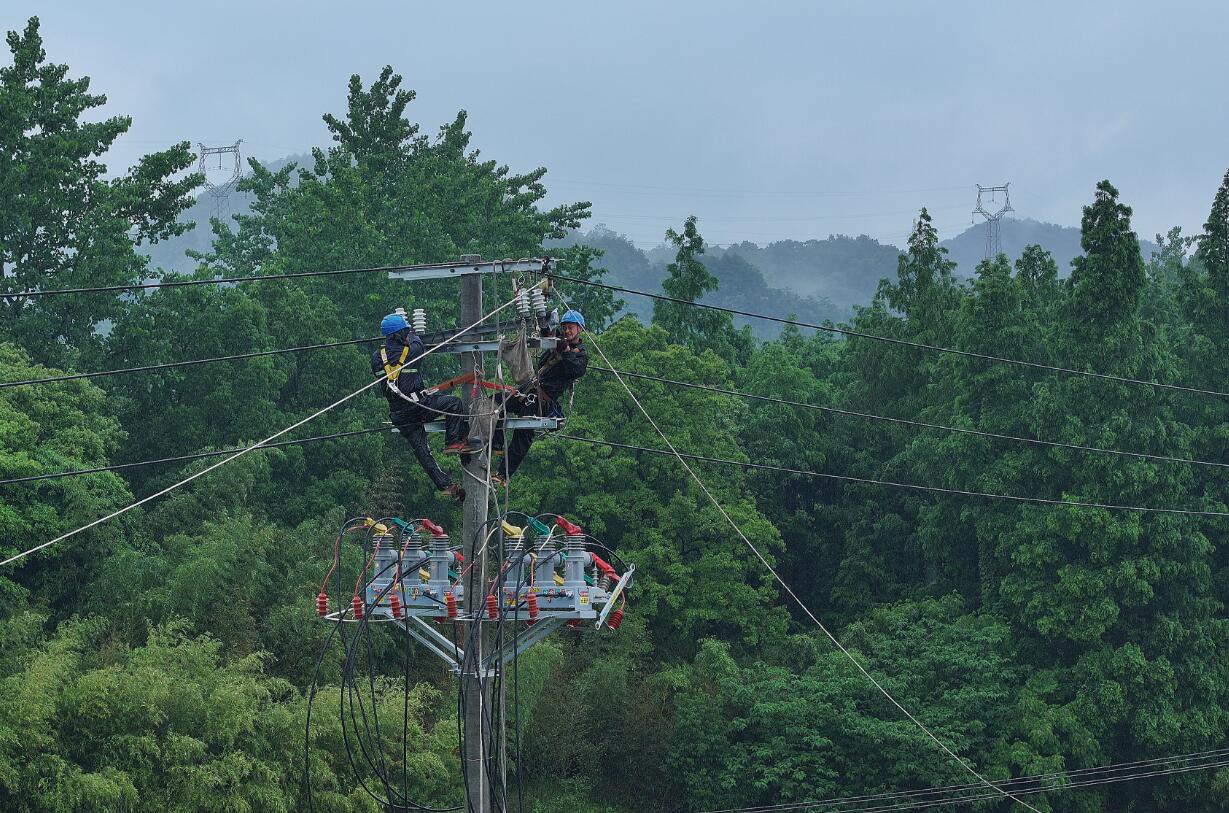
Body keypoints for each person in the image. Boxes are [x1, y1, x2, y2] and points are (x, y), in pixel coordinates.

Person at [371, 311, 482, 501]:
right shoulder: (411, 350)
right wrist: (413, 333)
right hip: (417, 406)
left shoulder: (377, 356)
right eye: (404, 331)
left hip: (398, 414)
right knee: (454, 404)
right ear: (399, 334)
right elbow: (418, 343)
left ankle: (446, 485)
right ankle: (454, 441)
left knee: (422, 451)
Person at [493, 309, 589, 481]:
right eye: (565, 327)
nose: (567, 331)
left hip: (542, 399)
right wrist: (548, 330)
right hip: (528, 389)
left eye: (571, 328)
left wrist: (565, 351)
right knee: (496, 402)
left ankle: (503, 474)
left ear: (579, 329)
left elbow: (576, 370)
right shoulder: (556, 343)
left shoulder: (580, 354)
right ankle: (497, 444)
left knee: (523, 432)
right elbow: (549, 338)